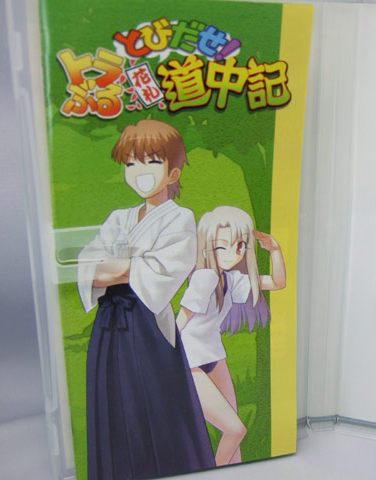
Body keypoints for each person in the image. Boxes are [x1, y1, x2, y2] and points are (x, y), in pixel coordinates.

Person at [77, 119, 215, 480]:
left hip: (147, 323)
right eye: (131, 162)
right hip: (109, 322)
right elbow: (90, 267)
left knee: (154, 402)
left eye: (152, 161)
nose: (139, 171)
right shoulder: (118, 217)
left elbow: (164, 270)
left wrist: (119, 265)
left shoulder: (180, 217)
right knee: (112, 400)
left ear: (173, 172)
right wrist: (126, 265)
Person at [176, 206, 286, 466]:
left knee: (234, 435)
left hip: (214, 355)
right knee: (235, 429)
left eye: (239, 246)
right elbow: (181, 321)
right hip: (190, 360)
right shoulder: (204, 277)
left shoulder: (232, 278)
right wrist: (162, 356)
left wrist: (275, 250)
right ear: (207, 247)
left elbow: (278, 283)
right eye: (221, 246)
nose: (233, 253)